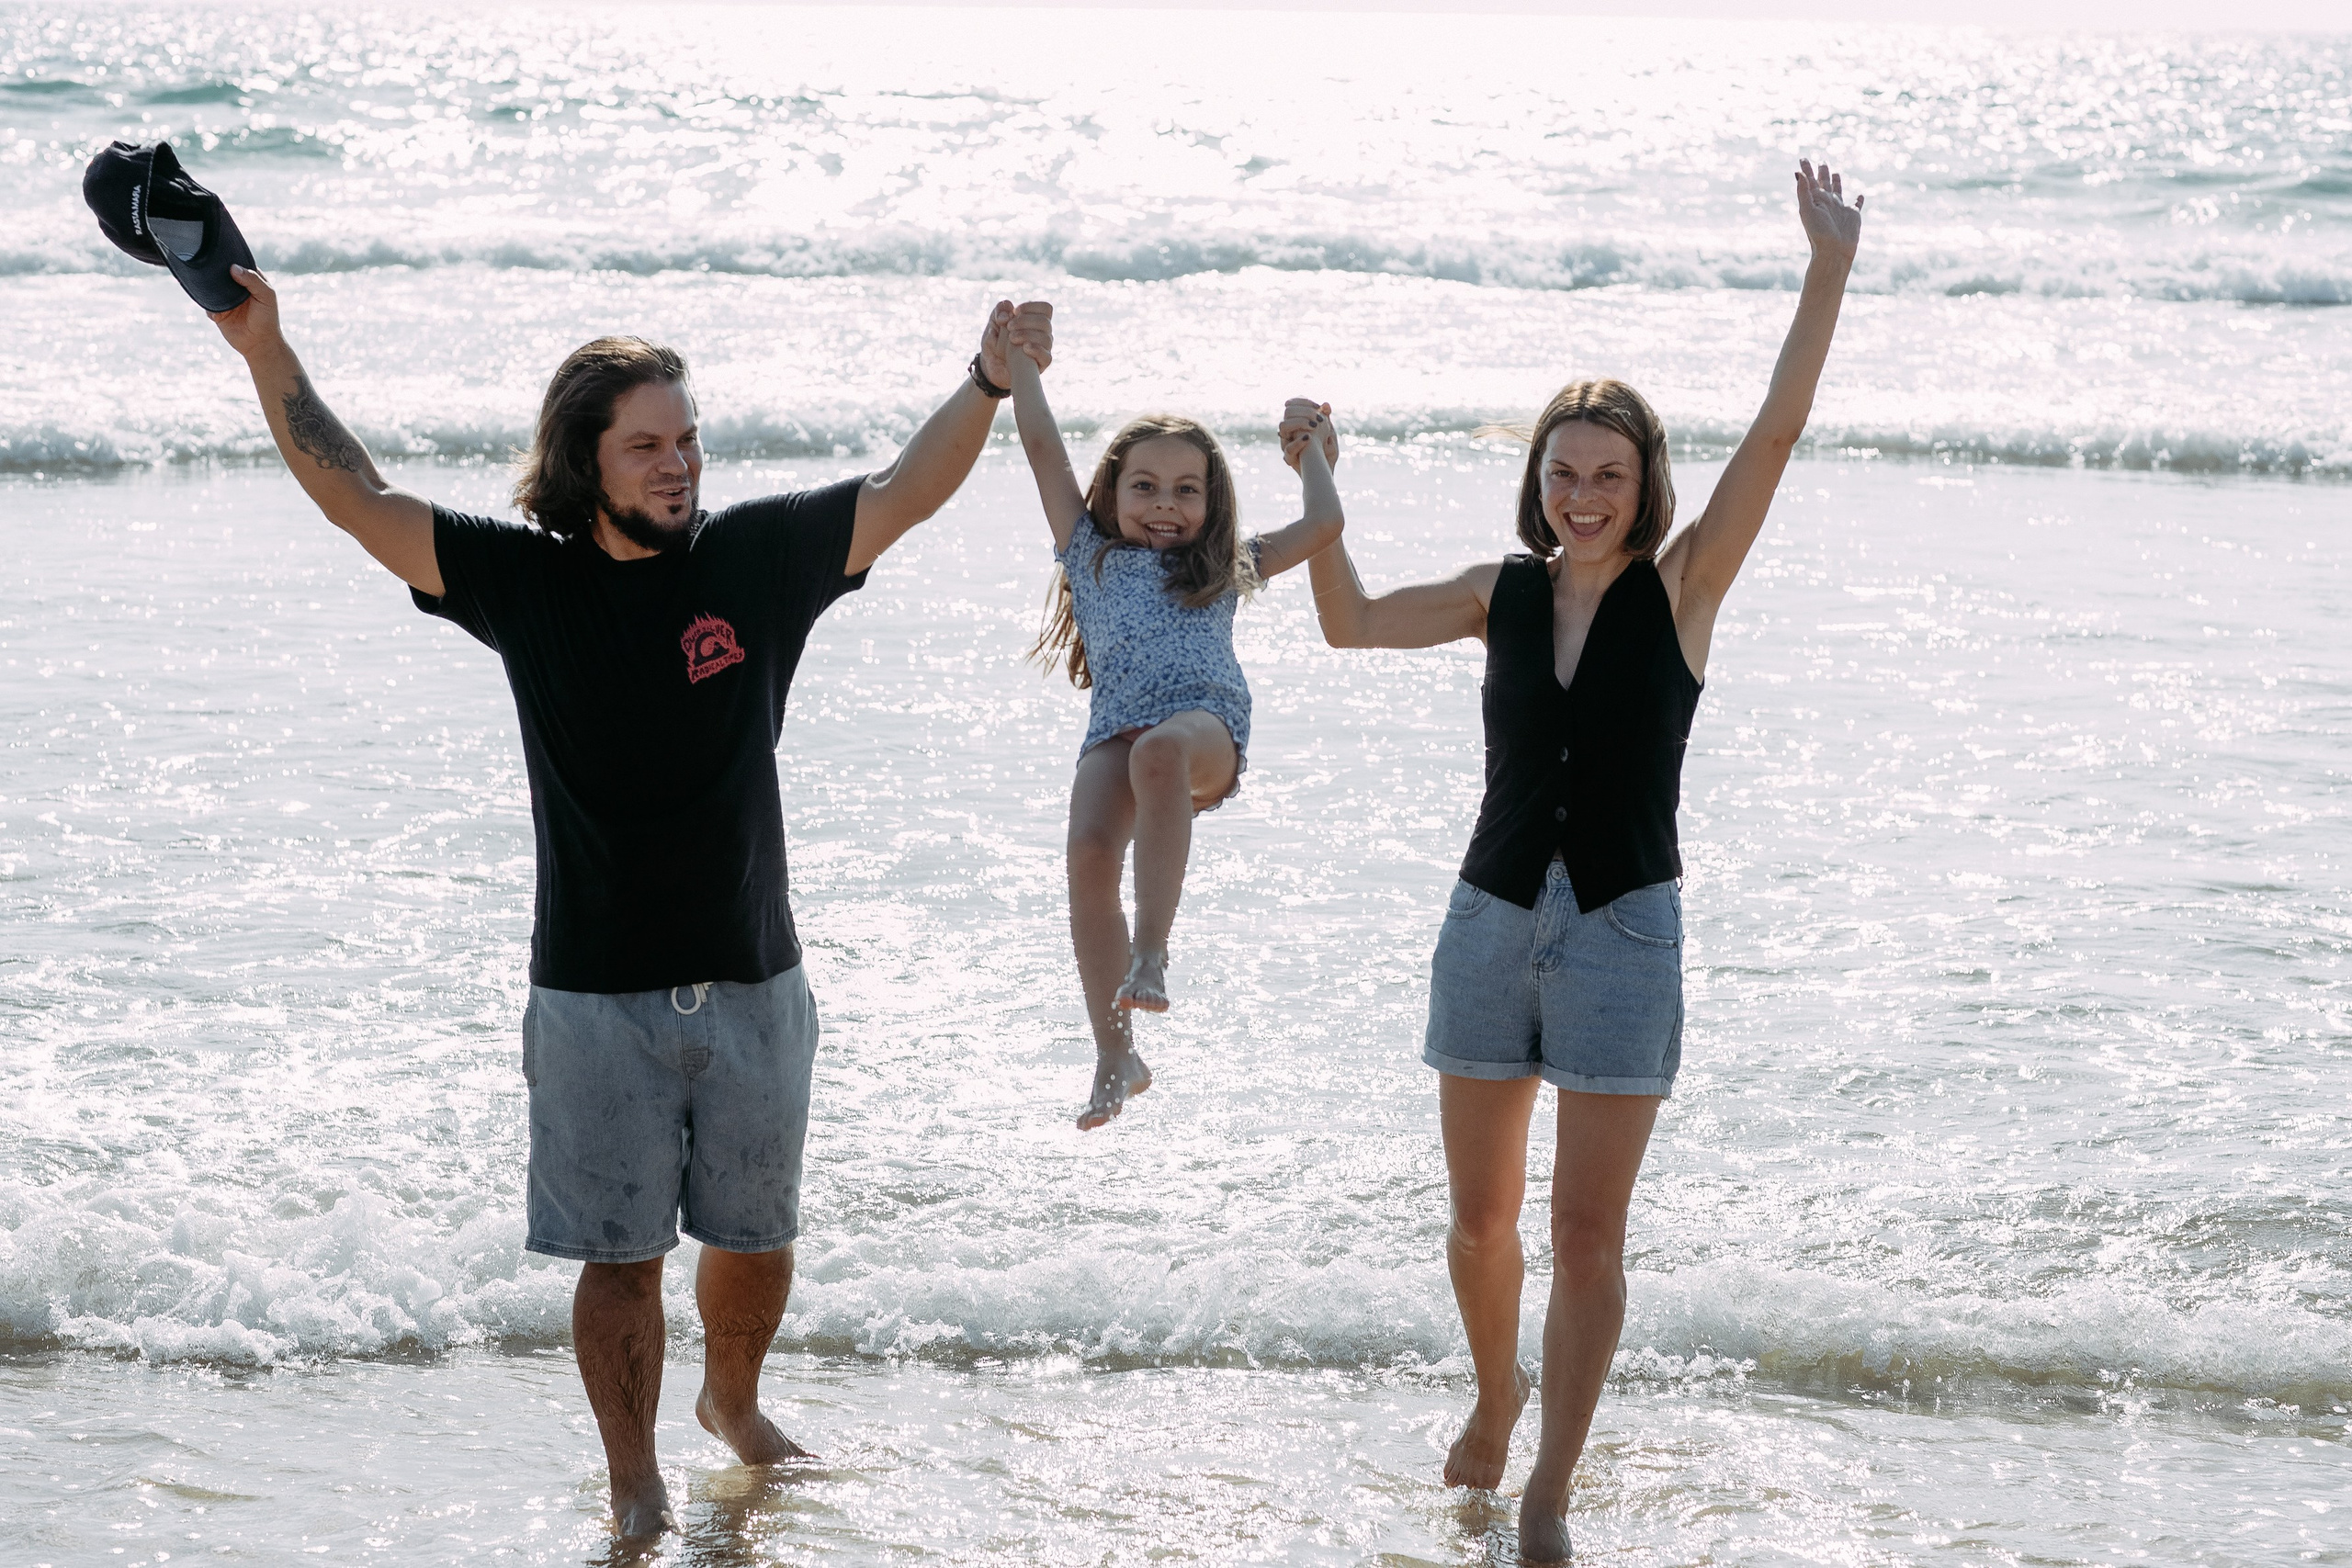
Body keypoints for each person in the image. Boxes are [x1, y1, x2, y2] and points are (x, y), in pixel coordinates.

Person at [204, 261, 1052, 1540]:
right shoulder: (524, 582)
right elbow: (356, 497)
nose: (678, 465)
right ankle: (633, 1476)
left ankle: (733, 1403)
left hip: (755, 975)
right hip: (595, 993)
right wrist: (264, 348)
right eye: (646, 445)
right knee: (621, 1258)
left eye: (688, 440)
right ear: (583, 461)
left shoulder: (755, 558)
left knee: (756, 1238)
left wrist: (984, 380)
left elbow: (901, 493)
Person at [1290, 161, 1863, 1562]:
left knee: (1588, 1235)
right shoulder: (1497, 592)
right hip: (1490, 919)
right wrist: (1314, 478)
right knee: (1478, 1224)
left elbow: (1779, 432)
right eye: (1564, 472)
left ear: (1646, 484)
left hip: (1623, 929)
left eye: (1610, 474)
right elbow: (1348, 620)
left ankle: (1549, 1481)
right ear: (1537, 480)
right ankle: (1495, 1392)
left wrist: (1828, 267)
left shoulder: (1685, 586)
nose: (1586, 493)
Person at [1003, 313, 1344, 1129]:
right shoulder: (1086, 549)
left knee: (1157, 752)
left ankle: (1152, 951)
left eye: (1187, 489)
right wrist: (1021, 363)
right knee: (1087, 854)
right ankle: (1115, 1052)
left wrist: (1313, 455)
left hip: (1204, 729)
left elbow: (1324, 525)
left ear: (1211, 501)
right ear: (1112, 491)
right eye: (1146, 487)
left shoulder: (1224, 563)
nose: (1165, 504)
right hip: (1113, 728)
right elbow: (1043, 448)